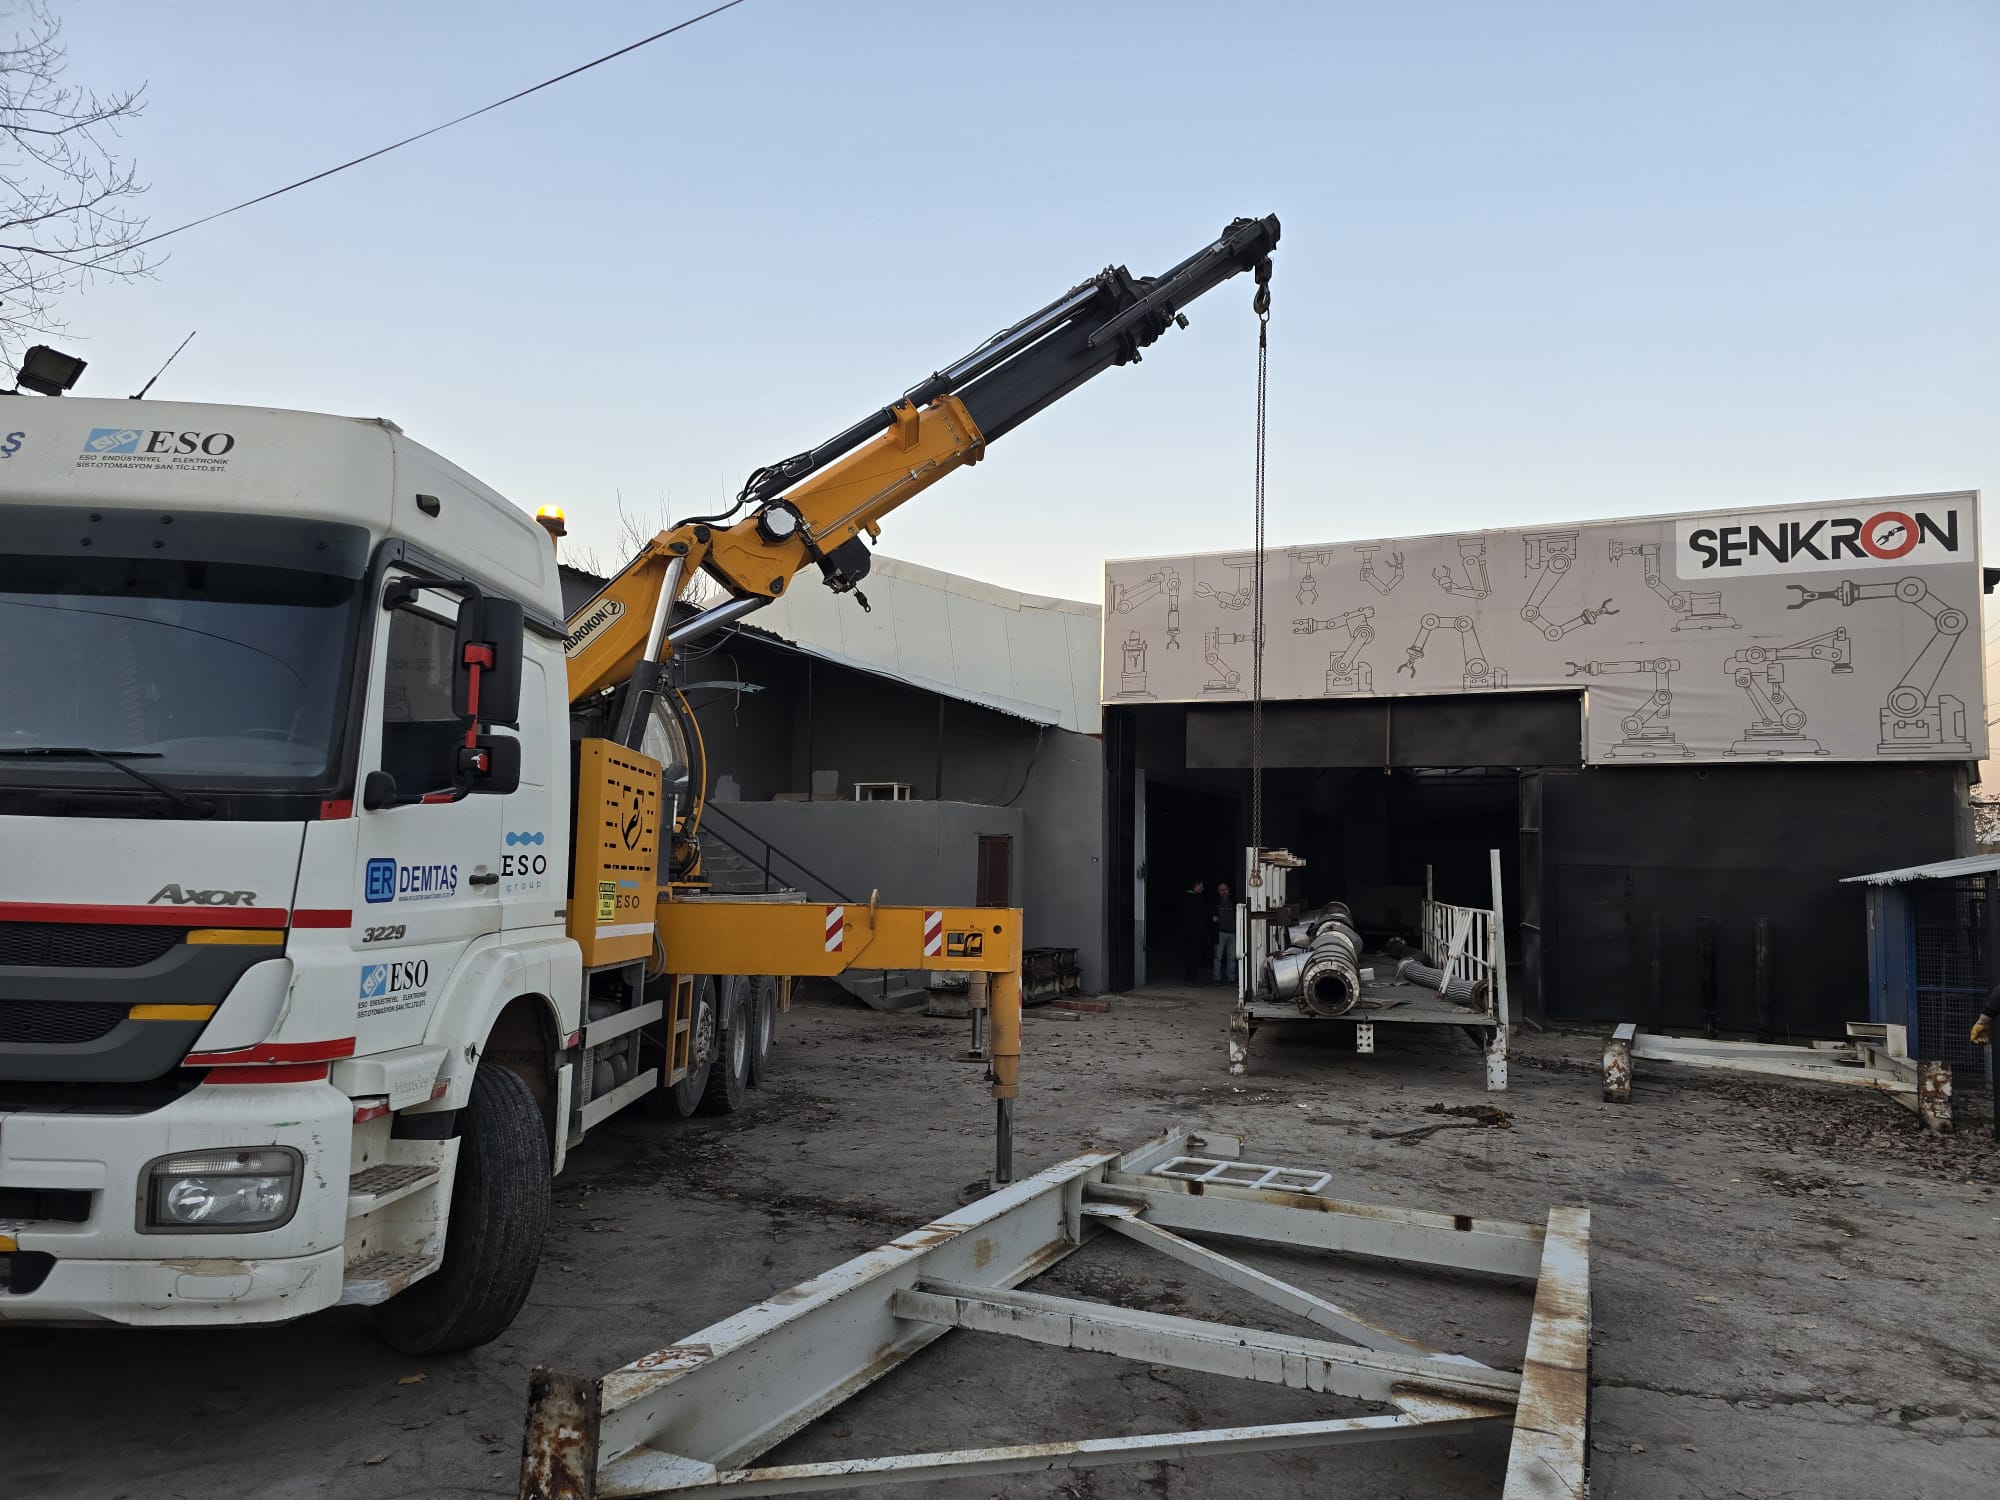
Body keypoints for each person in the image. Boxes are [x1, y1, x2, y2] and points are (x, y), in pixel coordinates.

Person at [1180, 878, 1209, 984]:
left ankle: (1190, 978)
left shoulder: (1186, 897)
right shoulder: (1195, 898)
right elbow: (1199, 914)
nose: (1203, 888)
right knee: (1194, 955)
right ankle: (1192, 979)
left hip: (1189, 930)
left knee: (1191, 955)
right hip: (1195, 931)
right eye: (1202, 886)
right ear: (1197, 886)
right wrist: (1207, 920)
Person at [1213, 880, 1238, 985]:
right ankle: (1217, 979)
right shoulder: (1215, 903)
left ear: (1229, 890)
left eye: (1225, 889)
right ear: (1218, 891)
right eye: (1221, 890)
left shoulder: (1234, 902)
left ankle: (1231, 979)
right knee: (1218, 957)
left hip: (1233, 933)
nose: (1224, 892)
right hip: (1220, 933)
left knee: (1232, 957)